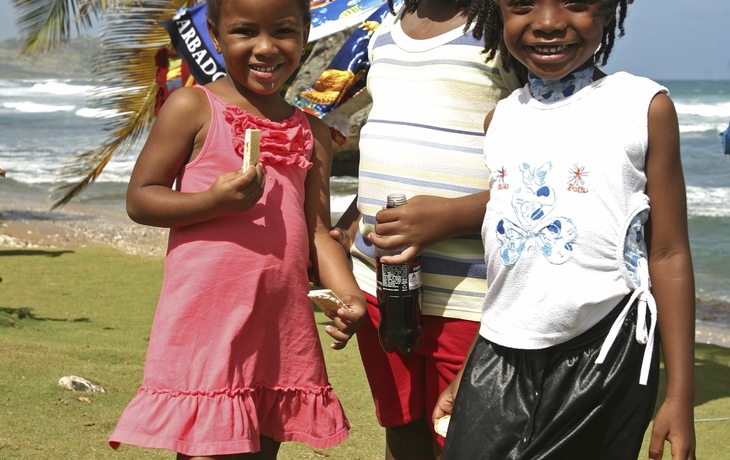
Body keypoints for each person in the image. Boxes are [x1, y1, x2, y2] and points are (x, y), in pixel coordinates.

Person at [432, 1, 697, 459]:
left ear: (608, 10)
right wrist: (472, 366)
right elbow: (509, 271)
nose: (550, 23)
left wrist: (681, 395)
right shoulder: (500, 120)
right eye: (523, 5)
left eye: (574, 3)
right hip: (497, 353)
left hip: (603, 355)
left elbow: (668, 254)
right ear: (499, 12)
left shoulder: (642, 107)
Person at [108, 0, 366, 457]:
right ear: (215, 33)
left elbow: (317, 232)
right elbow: (141, 198)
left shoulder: (313, 133)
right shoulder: (193, 107)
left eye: (283, 31)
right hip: (207, 322)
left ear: (305, 31)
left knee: (262, 447)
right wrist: (211, 202)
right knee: (207, 447)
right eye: (245, 31)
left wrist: (348, 295)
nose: (265, 48)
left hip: (278, 328)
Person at [329, 0, 520, 457]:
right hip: (380, 282)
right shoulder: (384, 30)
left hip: (469, 290)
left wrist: (451, 217)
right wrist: (352, 221)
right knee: (402, 429)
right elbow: (393, 145)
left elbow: (539, 174)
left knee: (459, 436)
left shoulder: (504, 28)